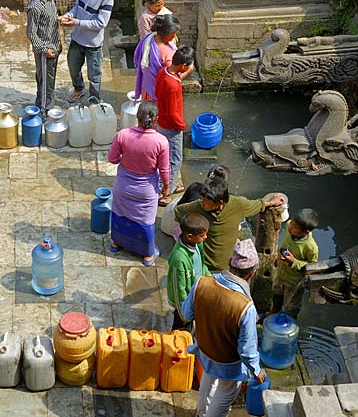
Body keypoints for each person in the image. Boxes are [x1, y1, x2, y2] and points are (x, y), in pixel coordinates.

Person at [181, 239, 266, 417]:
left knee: (209, 377)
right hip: (227, 359)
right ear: (252, 273)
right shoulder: (246, 307)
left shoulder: (203, 282)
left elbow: (185, 313)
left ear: (230, 263)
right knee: (226, 391)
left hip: (204, 346)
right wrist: (257, 370)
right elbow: (246, 350)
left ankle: (202, 414)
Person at [175, 170, 285, 271]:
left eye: (207, 200)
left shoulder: (238, 205)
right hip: (203, 266)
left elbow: (257, 204)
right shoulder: (197, 207)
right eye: (202, 198)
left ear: (220, 202)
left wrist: (271, 203)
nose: (202, 202)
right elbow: (178, 211)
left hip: (227, 266)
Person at [107, 101, 170, 266]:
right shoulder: (161, 141)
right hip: (146, 190)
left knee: (120, 213)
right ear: (156, 119)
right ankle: (148, 255)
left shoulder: (123, 135)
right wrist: (167, 188)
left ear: (137, 117)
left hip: (123, 185)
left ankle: (116, 243)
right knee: (146, 220)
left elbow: (112, 159)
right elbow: (164, 170)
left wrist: (126, 159)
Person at [59, 0, 114, 103]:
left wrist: (76, 22)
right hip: (77, 38)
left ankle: (94, 99)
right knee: (73, 67)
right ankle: (79, 88)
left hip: (93, 43)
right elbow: (78, 7)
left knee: (94, 75)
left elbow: (101, 23)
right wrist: (69, 15)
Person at [155, 45, 196, 203]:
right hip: (171, 126)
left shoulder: (164, 71)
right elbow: (173, 113)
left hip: (161, 122)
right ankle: (164, 192)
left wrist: (186, 73)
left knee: (164, 157)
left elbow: (175, 79)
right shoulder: (173, 86)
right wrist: (182, 125)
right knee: (175, 159)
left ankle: (168, 185)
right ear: (183, 65)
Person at [26, 0, 61, 118]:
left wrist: (59, 19)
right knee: (45, 80)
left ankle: (47, 102)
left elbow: (50, 17)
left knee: (50, 78)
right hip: (45, 51)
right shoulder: (35, 6)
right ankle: (44, 111)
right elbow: (31, 32)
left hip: (54, 46)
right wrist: (43, 49)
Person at [271, 208, 319, 318]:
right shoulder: (289, 227)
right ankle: (274, 311)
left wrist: (294, 262)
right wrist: (278, 259)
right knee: (277, 292)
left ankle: (289, 321)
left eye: (295, 227)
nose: (290, 226)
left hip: (294, 282)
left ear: (306, 232)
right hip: (281, 273)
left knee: (291, 306)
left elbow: (312, 268)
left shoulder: (311, 247)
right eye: (292, 222)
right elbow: (284, 245)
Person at [166, 212, 210, 330]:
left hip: (194, 293)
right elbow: (178, 290)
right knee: (180, 326)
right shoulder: (178, 259)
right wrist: (183, 314)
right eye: (202, 235)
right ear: (190, 236)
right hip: (184, 301)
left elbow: (201, 264)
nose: (205, 237)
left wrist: (209, 278)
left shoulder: (197, 244)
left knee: (190, 323)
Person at [133, 14, 181, 101]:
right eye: (174, 34)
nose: (175, 37)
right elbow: (172, 78)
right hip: (159, 94)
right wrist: (188, 71)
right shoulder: (167, 54)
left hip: (147, 86)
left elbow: (137, 58)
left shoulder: (148, 38)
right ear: (167, 34)